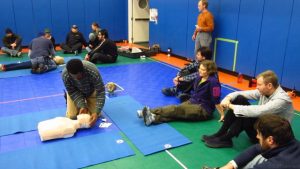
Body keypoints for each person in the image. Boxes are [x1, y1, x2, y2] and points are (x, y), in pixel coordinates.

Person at [202, 70, 294, 148]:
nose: (257, 87)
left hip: (270, 139)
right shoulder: (266, 91)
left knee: (247, 113)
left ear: (269, 85)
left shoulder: (281, 100)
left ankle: (226, 138)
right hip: (262, 128)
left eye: (259, 85)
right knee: (240, 99)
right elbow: (243, 94)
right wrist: (228, 98)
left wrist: (230, 106)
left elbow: (259, 111)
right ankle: (221, 133)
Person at [138, 60, 224, 126]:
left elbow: (216, 100)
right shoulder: (199, 77)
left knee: (176, 109)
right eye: (200, 68)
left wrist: (222, 114)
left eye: (203, 70)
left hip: (203, 109)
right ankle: (153, 119)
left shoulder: (214, 83)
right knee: (177, 114)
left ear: (210, 71)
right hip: (193, 101)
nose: (200, 71)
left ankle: (148, 111)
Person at [203, 114, 300, 169]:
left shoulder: (275, 165)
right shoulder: (290, 143)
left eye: (259, 134)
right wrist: (230, 166)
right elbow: (257, 148)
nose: (257, 136)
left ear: (270, 140)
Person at [62, 59, 105, 127]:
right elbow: (72, 91)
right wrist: (82, 105)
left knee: (96, 115)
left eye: (79, 76)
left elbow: (100, 91)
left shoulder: (93, 71)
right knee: (72, 116)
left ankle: (87, 106)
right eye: (74, 77)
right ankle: (76, 103)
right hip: (76, 92)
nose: (77, 78)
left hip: (91, 91)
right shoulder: (65, 75)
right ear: (69, 73)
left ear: (83, 71)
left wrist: (96, 112)